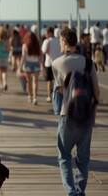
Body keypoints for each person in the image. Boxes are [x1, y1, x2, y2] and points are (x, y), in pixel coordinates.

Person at [52, 28, 100, 196]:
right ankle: (80, 191)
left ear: (64, 42)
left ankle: (71, 192)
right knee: (83, 158)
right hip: (86, 114)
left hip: (68, 114)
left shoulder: (56, 63)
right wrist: (93, 114)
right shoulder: (88, 63)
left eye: (60, 41)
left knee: (64, 155)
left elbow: (59, 91)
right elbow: (96, 91)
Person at [18, 31, 44, 105]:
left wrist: (19, 67)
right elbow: (40, 57)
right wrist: (42, 67)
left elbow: (23, 57)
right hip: (36, 64)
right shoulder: (37, 46)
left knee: (28, 81)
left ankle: (30, 95)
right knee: (35, 82)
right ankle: (35, 98)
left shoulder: (24, 45)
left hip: (27, 65)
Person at [41, 27, 61, 102]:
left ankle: (49, 96)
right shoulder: (58, 40)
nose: (45, 35)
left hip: (49, 63)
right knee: (57, 81)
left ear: (50, 33)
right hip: (58, 63)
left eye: (46, 33)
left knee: (49, 81)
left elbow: (43, 51)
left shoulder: (47, 41)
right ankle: (57, 96)